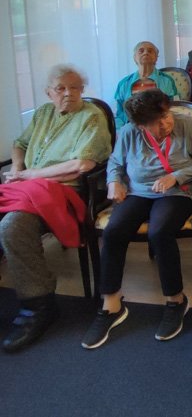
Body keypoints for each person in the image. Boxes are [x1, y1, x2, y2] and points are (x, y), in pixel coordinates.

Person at [81, 88, 192, 349]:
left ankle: (176, 300)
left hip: (178, 191)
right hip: (138, 192)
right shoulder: (128, 133)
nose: (166, 123)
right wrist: (113, 182)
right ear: (140, 126)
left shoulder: (186, 125)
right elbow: (115, 163)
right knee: (114, 231)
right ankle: (111, 304)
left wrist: (177, 176)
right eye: (157, 122)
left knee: (160, 231)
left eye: (166, 115)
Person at [0, 65, 112, 352]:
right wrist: (17, 169)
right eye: (61, 88)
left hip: (64, 192)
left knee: (13, 226)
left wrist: (29, 175)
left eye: (75, 88)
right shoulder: (42, 114)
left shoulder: (91, 116)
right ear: (48, 92)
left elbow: (82, 164)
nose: (68, 93)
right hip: (28, 187)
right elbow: (19, 143)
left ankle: (38, 306)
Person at [113, 41, 178, 129]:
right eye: (141, 51)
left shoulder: (167, 81)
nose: (146, 53)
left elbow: (174, 107)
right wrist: (120, 131)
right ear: (135, 58)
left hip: (158, 126)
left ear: (156, 58)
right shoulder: (124, 83)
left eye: (150, 51)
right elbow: (120, 114)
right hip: (131, 128)